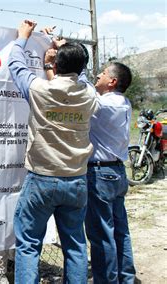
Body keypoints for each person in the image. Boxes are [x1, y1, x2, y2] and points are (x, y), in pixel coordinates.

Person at [8, 20, 98, 283]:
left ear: (55, 65)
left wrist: (23, 37)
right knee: (76, 246)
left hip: (42, 180)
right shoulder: (90, 95)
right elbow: (81, 76)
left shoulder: (39, 90)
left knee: (28, 245)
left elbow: (16, 66)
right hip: (76, 180)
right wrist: (62, 50)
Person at [85, 62, 136, 283]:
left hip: (100, 174)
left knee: (101, 234)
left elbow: (78, 87)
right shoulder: (124, 103)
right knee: (120, 231)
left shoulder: (102, 105)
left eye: (103, 73)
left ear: (112, 81)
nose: (98, 75)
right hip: (117, 173)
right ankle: (126, 278)